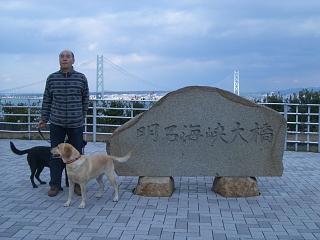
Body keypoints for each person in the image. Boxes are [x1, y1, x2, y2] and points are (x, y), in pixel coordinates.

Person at [38, 50, 89, 197]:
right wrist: (43, 118)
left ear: (73, 60)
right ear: (59, 60)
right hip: (57, 123)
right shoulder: (52, 78)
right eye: (62, 56)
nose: (64, 59)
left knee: (76, 156)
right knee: (55, 155)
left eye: (68, 57)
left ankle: (77, 184)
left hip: (76, 124)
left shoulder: (81, 78)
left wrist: (81, 115)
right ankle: (55, 185)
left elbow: (85, 99)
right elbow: (47, 100)